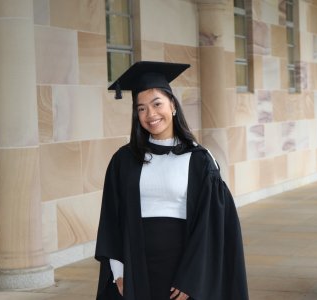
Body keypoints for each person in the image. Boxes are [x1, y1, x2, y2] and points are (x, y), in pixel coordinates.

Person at [95, 61, 249, 300]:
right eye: (142, 108)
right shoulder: (123, 160)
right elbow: (111, 220)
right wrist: (118, 272)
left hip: (183, 269)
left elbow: (211, 226)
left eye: (157, 104)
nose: (151, 114)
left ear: (173, 105)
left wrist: (193, 278)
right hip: (136, 267)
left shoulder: (199, 160)